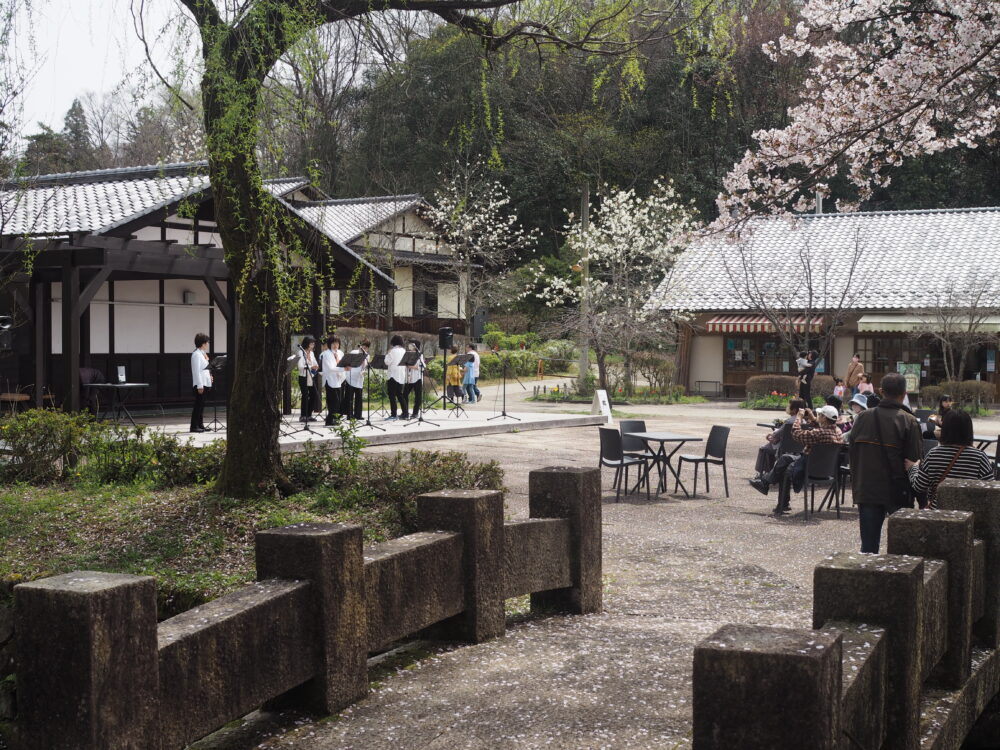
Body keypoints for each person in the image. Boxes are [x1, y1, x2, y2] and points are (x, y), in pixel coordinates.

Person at [848, 372, 923, 553]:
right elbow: (915, 461)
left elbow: (852, 452)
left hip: (867, 489)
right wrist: (923, 499)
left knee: (868, 549)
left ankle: (868, 580)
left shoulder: (863, 418)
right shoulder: (909, 421)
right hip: (898, 489)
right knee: (902, 550)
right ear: (904, 393)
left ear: (881, 391)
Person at [750, 404, 843, 514]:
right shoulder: (837, 431)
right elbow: (824, 429)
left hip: (810, 468)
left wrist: (799, 417)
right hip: (827, 470)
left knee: (785, 468)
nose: (818, 416)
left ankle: (772, 491)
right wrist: (814, 419)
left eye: (820, 415)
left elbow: (796, 434)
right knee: (785, 459)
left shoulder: (819, 433)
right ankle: (767, 485)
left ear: (824, 418)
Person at [908, 410, 995, 509]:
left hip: (938, 513)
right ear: (968, 430)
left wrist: (913, 467)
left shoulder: (933, 454)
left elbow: (919, 486)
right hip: (968, 515)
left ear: (944, 430)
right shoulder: (979, 457)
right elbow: (990, 491)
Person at [754, 398, 806, 475]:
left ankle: (764, 473)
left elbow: (776, 434)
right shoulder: (804, 421)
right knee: (769, 446)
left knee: (764, 449)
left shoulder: (789, 421)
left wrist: (770, 436)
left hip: (784, 449)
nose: (787, 407)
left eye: (789, 406)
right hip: (798, 450)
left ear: (794, 410)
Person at [190, 332, 212, 433]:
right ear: (203, 343)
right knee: (198, 405)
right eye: (207, 342)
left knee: (202, 405)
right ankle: (194, 426)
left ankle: (200, 425)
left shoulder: (202, 354)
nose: (208, 344)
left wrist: (210, 376)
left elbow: (205, 369)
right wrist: (199, 385)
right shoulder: (196, 355)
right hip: (200, 384)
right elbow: (196, 371)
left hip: (205, 382)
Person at [320, 336, 345, 426]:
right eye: (333, 343)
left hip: (338, 379)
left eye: (337, 343)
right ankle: (330, 420)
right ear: (329, 344)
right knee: (333, 401)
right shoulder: (326, 354)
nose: (335, 345)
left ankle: (334, 418)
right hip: (329, 379)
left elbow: (342, 363)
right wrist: (343, 369)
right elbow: (331, 368)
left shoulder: (340, 353)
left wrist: (346, 367)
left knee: (338, 401)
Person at [342, 339, 369, 420]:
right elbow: (348, 362)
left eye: (366, 347)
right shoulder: (354, 352)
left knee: (359, 397)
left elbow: (364, 367)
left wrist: (364, 371)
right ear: (360, 345)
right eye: (363, 346)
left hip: (359, 378)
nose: (364, 348)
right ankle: (349, 415)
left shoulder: (367, 355)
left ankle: (358, 415)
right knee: (349, 397)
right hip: (350, 376)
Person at [296, 336, 320, 422]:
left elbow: (315, 363)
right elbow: (300, 366)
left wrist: (316, 367)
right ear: (307, 343)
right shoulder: (300, 352)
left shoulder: (312, 353)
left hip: (310, 376)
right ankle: (303, 416)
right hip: (303, 376)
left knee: (314, 394)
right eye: (311, 343)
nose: (312, 345)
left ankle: (309, 414)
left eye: (313, 344)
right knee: (305, 395)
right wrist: (311, 366)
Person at [384, 334, 408, 420]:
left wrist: (388, 353)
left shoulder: (392, 351)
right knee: (400, 395)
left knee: (392, 396)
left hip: (392, 376)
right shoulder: (403, 350)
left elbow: (387, 362)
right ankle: (405, 413)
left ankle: (393, 414)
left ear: (393, 342)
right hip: (401, 375)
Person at [403, 339, 426, 417]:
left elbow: (420, 367)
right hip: (409, 378)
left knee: (418, 396)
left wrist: (409, 366)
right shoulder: (407, 354)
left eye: (411, 345)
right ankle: (405, 412)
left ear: (415, 347)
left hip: (417, 378)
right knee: (404, 394)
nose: (410, 346)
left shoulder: (419, 355)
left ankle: (415, 413)